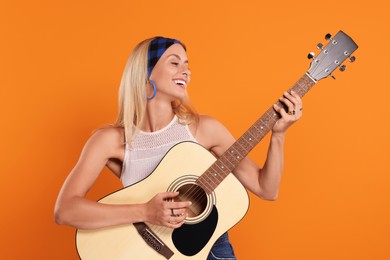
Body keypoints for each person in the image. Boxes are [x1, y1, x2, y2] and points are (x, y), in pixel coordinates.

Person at [54, 36, 303, 259]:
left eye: (187, 65)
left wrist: (278, 135)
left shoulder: (204, 128)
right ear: (146, 71)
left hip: (210, 251)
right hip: (142, 252)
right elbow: (65, 210)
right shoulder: (110, 140)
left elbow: (266, 189)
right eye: (175, 63)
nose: (186, 71)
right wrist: (145, 211)